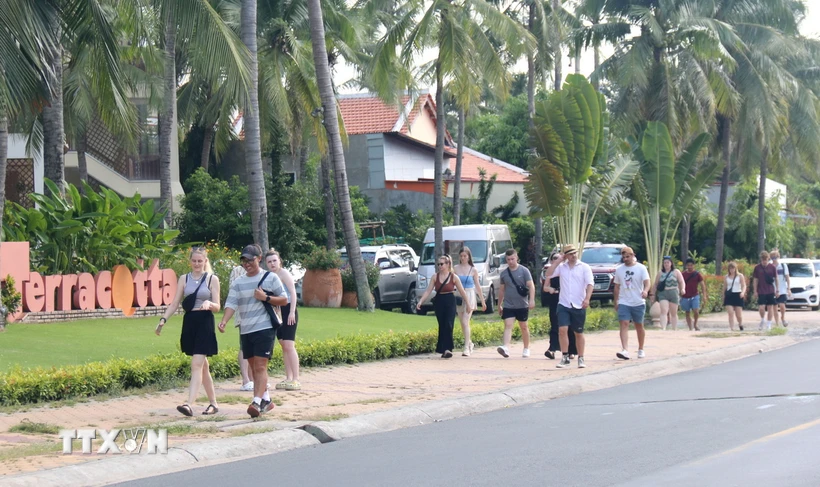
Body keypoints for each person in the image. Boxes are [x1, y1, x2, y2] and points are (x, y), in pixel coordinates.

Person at [218, 244, 288, 418]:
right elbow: (231, 303)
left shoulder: (270, 278)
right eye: (243, 260)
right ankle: (266, 399)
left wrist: (266, 298)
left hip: (264, 328)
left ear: (259, 258)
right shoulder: (238, 283)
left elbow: (284, 299)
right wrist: (224, 321)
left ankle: (256, 401)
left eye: (250, 260)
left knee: (260, 365)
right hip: (246, 329)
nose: (246, 263)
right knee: (252, 366)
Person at [156, 247, 221, 417]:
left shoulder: (212, 279)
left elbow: (218, 306)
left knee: (196, 364)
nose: (197, 264)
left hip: (205, 323)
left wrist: (209, 304)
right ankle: (213, 403)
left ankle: (189, 404)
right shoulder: (184, 279)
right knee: (203, 367)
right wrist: (163, 320)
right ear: (190, 261)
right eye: (194, 261)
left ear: (205, 261)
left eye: (200, 261)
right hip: (190, 323)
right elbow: (175, 302)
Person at [543, 244, 593, 369]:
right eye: (570, 254)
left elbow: (590, 284)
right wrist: (559, 260)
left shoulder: (584, 267)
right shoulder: (562, 267)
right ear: (566, 255)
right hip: (564, 303)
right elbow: (548, 274)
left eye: (574, 253)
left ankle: (581, 357)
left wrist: (587, 298)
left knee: (578, 332)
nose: (573, 256)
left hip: (578, 303)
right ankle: (565, 357)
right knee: (562, 330)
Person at [416, 254, 472, 358]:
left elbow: (462, 291)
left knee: (449, 324)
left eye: (442, 264)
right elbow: (428, 290)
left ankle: (448, 349)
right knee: (442, 325)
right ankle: (443, 349)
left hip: (450, 300)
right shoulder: (435, 277)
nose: (440, 266)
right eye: (438, 264)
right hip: (439, 301)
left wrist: (468, 304)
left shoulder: (453, 277)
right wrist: (421, 301)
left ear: (448, 264)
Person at [265, 249, 301, 390]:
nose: (272, 263)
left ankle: (296, 378)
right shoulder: (269, 276)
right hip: (278, 311)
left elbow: (292, 292)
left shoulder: (283, 273)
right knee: (283, 345)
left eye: (274, 260)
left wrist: (292, 312)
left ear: (279, 260)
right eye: (269, 261)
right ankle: (288, 377)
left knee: (289, 345)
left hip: (288, 310)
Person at [613, 247, 651, 360]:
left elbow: (647, 282)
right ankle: (625, 350)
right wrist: (616, 301)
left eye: (627, 256)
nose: (625, 259)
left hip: (638, 301)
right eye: (623, 257)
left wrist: (645, 291)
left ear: (633, 255)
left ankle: (641, 348)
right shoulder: (619, 269)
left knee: (639, 325)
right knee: (624, 323)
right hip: (624, 300)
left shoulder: (641, 268)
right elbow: (616, 286)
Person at [497, 249, 536, 358]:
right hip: (509, 304)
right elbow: (501, 290)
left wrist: (531, 299)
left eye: (512, 259)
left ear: (517, 258)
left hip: (522, 304)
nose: (510, 261)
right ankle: (505, 347)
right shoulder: (504, 274)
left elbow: (531, 285)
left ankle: (526, 348)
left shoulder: (524, 271)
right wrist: (499, 304)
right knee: (508, 325)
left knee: (524, 326)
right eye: (508, 259)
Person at [541, 252, 577, 359]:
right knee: (555, 324)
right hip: (555, 299)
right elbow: (545, 286)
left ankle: (571, 350)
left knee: (569, 325)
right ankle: (552, 348)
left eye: (560, 257)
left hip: (568, 299)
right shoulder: (551, 271)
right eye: (555, 258)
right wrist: (550, 289)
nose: (558, 259)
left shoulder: (567, 269)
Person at [453, 247, 486, 356]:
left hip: (470, 294)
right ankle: (470, 342)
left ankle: (466, 347)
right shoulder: (455, 268)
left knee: (465, 320)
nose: (463, 258)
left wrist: (482, 301)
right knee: (462, 322)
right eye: (461, 256)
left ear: (469, 257)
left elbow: (477, 286)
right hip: (459, 295)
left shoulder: (473, 270)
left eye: (465, 256)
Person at [229, 265, 254, 391]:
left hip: (258, 314)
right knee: (244, 346)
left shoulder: (262, 271)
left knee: (256, 347)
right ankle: (245, 379)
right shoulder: (237, 271)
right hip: (243, 313)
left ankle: (254, 378)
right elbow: (233, 292)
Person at [651, 257, 685, 331]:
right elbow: (656, 284)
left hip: (673, 292)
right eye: (665, 263)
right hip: (663, 293)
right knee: (664, 310)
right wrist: (652, 294)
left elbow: (681, 281)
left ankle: (674, 328)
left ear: (671, 263)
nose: (666, 264)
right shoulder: (660, 273)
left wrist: (682, 289)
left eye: (668, 262)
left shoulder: (676, 272)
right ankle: (663, 327)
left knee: (673, 312)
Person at [752, 250, 779, 331]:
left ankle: (769, 324)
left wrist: (777, 289)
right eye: (763, 260)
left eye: (766, 259)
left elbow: (776, 278)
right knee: (761, 307)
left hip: (770, 290)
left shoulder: (772, 267)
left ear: (768, 259)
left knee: (770, 307)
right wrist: (755, 291)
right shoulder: (757, 268)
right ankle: (762, 319)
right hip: (761, 290)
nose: (764, 261)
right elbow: (755, 280)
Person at [680, 258, 708, 331]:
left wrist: (704, 295)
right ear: (686, 266)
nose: (690, 267)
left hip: (694, 295)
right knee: (687, 312)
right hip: (685, 296)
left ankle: (695, 324)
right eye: (688, 265)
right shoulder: (683, 274)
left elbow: (702, 285)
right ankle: (690, 328)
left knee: (696, 311)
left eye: (691, 265)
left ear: (694, 265)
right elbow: (679, 283)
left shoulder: (697, 274)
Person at [722, 261, 747, 331]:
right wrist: (723, 295)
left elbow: (744, 285)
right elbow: (724, 287)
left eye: (733, 268)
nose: (732, 270)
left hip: (738, 294)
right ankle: (732, 328)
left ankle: (740, 324)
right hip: (729, 295)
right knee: (730, 312)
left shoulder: (740, 276)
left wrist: (743, 292)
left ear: (736, 268)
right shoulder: (726, 277)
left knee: (738, 314)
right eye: (730, 268)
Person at [770, 250, 791, 327]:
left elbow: (787, 277)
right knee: (775, 307)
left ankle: (783, 317)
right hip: (773, 290)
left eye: (775, 257)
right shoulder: (770, 267)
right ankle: (777, 323)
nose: (774, 259)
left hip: (782, 289)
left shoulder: (783, 266)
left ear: (778, 257)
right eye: (772, 258)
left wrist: (789, 288)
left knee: (782, 306)